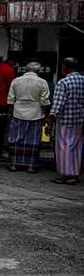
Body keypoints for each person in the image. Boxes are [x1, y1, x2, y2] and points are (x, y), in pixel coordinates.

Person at [6, 61, 51, 173]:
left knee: (16, 138)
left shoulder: (16, 81)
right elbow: (45, 101)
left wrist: (10, 113)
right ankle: (31, 165)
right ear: (38, 71)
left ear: (26, 69)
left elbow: (10, 99)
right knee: (33, 140)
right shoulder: (42, 82)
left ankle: (14, 164)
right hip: (36, 113)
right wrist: (47, 116)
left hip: (18, 112)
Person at [50, 57, 83, 185]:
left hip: (65, 120)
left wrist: (51, 121)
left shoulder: (64, 82)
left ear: (65, 67)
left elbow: (58, 105)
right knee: (76, 146)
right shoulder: (83, 80)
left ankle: (65, 174)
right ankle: (74, 173)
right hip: (79, 119)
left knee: (64, 147)